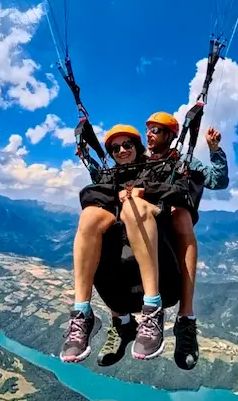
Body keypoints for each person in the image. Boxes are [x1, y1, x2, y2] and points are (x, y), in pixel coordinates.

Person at [60, 124, 185, 363]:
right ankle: (81, 313)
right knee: (88, 217)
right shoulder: (109, 177)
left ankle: (152, 307)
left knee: (133, 207)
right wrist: (118, 190)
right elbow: (92, 196)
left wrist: (138, 192)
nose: (121, 151)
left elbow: (179, 192)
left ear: (137, 147)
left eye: (127, 145)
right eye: (115, 148)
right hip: (117, 244)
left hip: (153, 233)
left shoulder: (160, 168)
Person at [141, 111, 229, 370]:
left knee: (182, 216)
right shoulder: (139, 161)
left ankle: (186, 318)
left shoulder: (185, 163)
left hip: (172, 221)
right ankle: (121, 319)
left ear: (170, 136)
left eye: (156, 130)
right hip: (143, 222)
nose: (149, 134)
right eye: (148, 129)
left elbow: (217, 181)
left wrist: (215, 151)